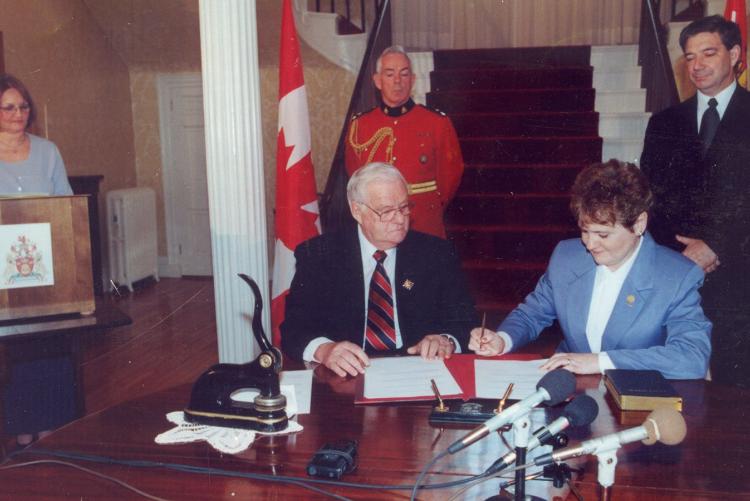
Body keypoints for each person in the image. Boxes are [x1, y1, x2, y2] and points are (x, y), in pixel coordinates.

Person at [469, 160, 711, 380]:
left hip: (637, 400)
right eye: (584, 231)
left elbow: (691, 357)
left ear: (639, 224)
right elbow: (532, 313)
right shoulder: (567, 256)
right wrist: (503, 340)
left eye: (602, 234)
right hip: (572, 391)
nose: (590, 244)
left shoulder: (677, 276)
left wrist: (600, 362)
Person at [281, 162, 477, 377]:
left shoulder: (436, 253)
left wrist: (445, 340)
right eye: (386, 211)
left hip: (418, 370)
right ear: (357, 210)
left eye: (404, 207)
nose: (400, 219)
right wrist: (325, 350)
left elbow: (465, 320)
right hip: (347, 374)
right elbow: (294, 329)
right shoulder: (319, 255)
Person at [639, 16, 750, 386]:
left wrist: (716, 245)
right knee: (676, 387)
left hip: (738, 278)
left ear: (734, 54)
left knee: (735, 396)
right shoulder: (664, 123)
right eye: (689, 57)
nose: (697, 65)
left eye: (708, 53)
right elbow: (649, 197)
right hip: (676, 276)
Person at [0, 73, 75, 447]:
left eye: (23, 106)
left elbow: (65, 201)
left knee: (50, 343)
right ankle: (21, 427)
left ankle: (52, 425)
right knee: (17, 350)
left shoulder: (48, 151)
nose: (18, 114)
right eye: (9, 107)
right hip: (4, 275)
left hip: (47, 268)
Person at [344, 45, 464, 239]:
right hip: (378, 224)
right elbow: (355, 176)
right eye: (390, 74)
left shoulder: (437, 123)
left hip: (423, 222)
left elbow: (449, 179)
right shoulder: (360, 125)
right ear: (377, 80)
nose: (398, 81)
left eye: (404, 74)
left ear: (413, 80)